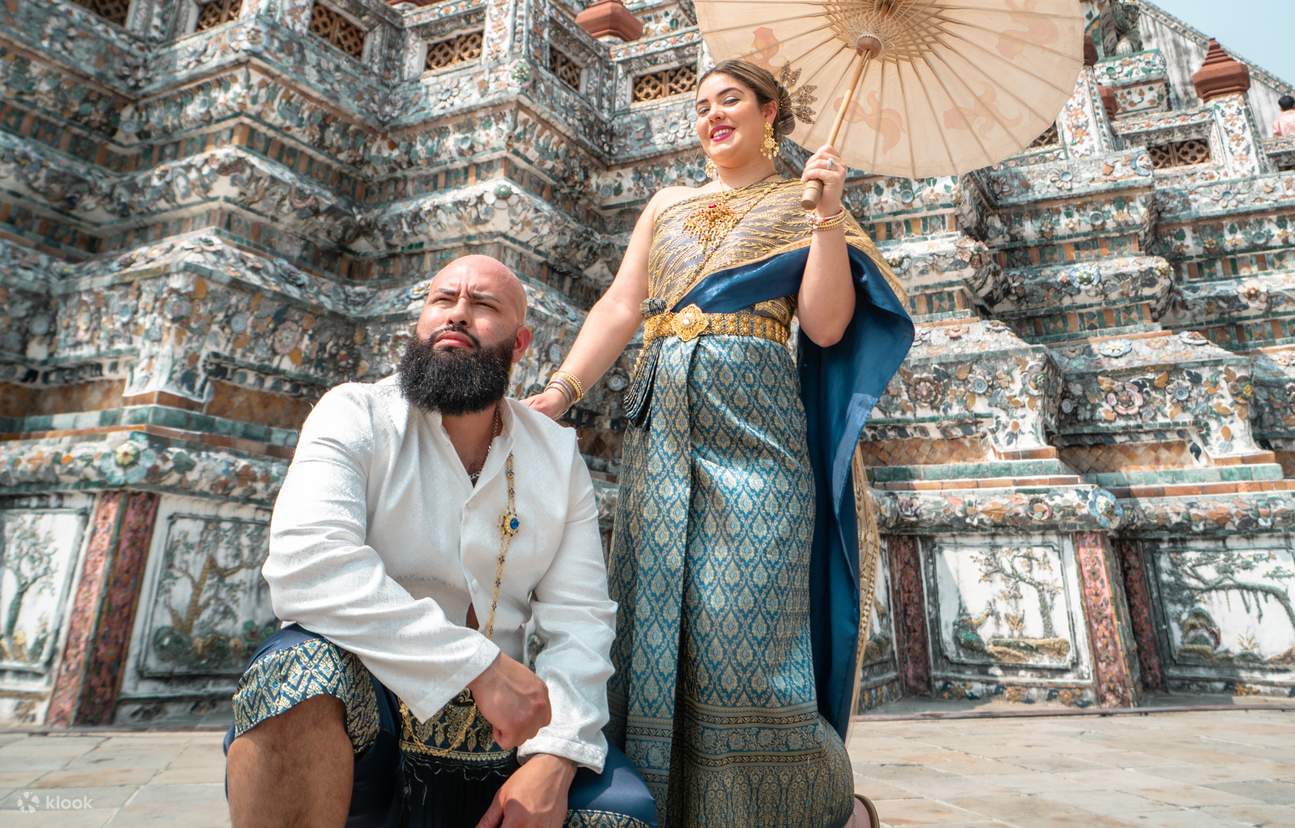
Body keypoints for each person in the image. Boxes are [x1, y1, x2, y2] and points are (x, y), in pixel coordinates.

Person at [525, 60, 914, 827]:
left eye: (728, 100)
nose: (710, 116)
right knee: (653, 617)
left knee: (751, 634)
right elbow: (621, 305)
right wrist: (560, 391)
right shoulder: (667, 203)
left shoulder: (801, 202)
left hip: (759, 432)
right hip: (662, 425)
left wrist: (827, 215)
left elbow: (828, 325)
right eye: (699, 106)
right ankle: (658, 807)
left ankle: (804, 810)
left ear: (771, 111)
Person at [224, 254, 657, 828]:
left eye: (482, 306)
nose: (456, 314)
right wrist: (478, 667)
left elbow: (580, 619)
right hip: (367, 717)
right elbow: (308, 564)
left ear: (520, 343)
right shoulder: (355, 412)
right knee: (296, 672)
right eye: (442, 300)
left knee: (622, 818)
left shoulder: (555, 454)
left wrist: (554, 755)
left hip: (503, 737)